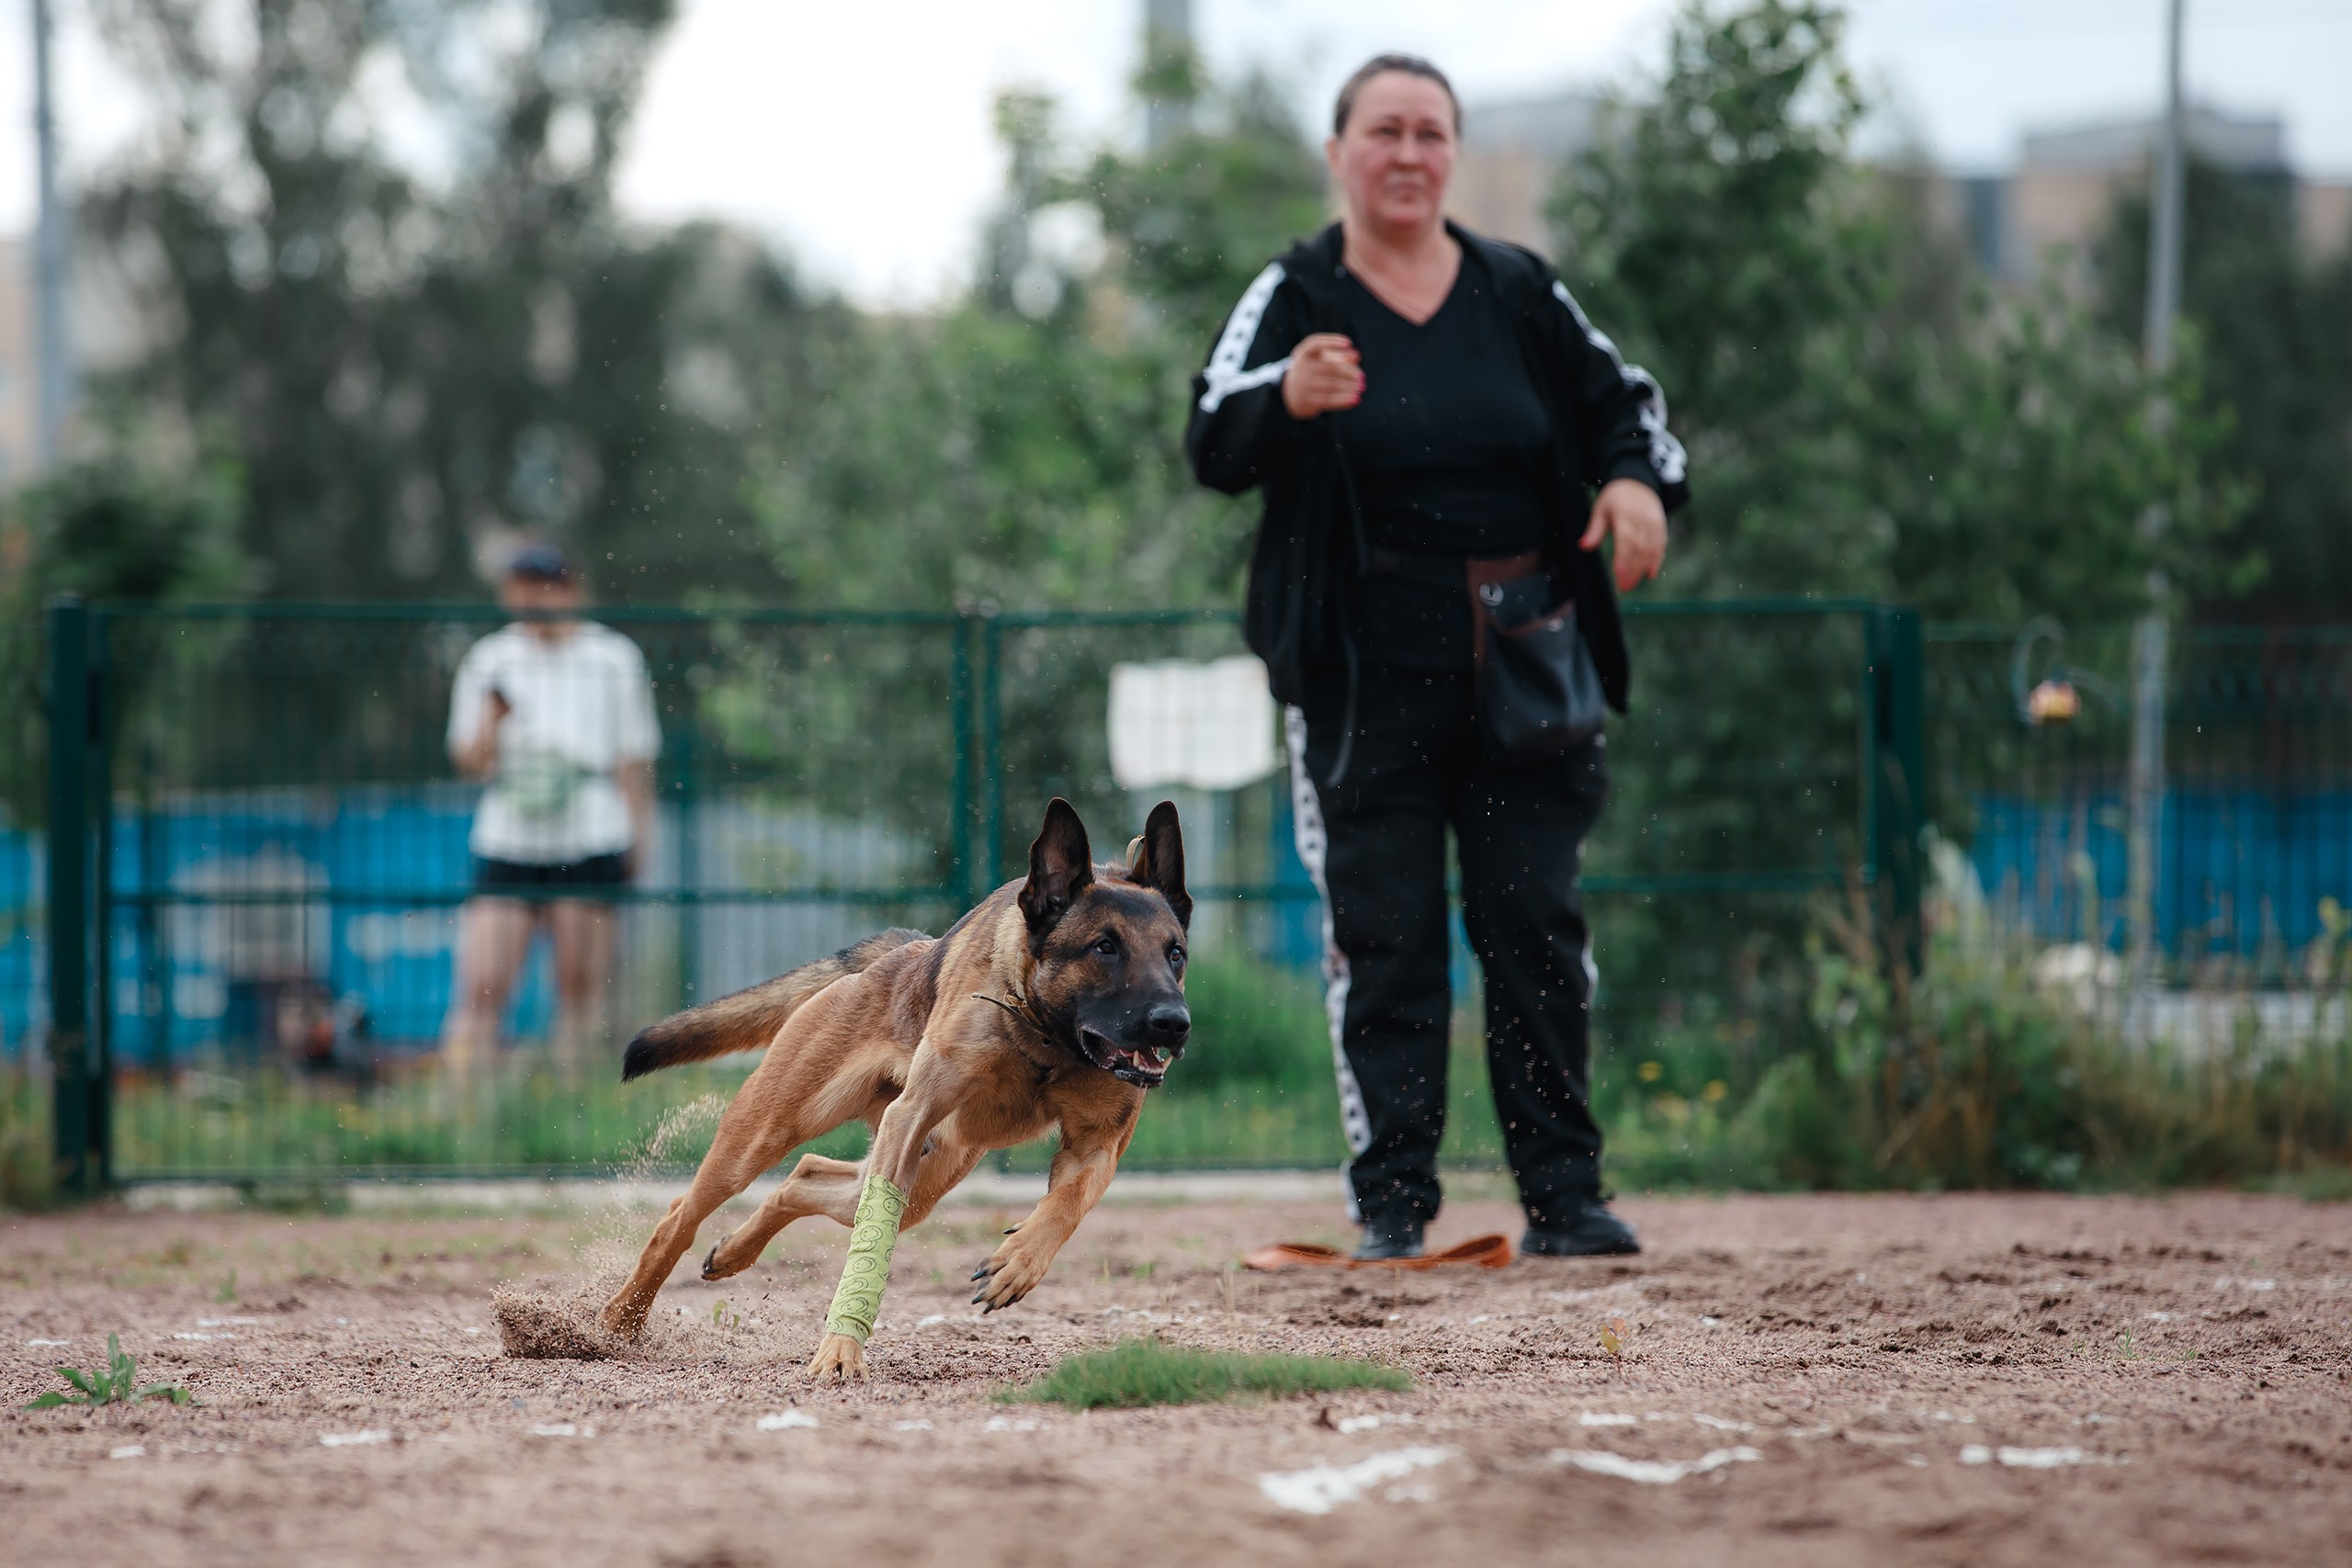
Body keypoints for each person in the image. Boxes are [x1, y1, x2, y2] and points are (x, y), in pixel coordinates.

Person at [1185, 55, 1690, 1259]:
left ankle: (1566, 1198)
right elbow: (1210, 426)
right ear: (1338, 152)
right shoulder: (1297, 292)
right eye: (1383, 132)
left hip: (1526, 660)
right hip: (1362, 677)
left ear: (1452, 154)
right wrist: (1287, 397)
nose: (1407, 154)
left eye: (1431, 133)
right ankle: (1394, 1207)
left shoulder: (1517, 288)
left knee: (1536, 928)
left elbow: (1630, 403)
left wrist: (1633, 480)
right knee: (1387, 937)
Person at [441, 541, 660, 1080]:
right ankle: (463, 1109)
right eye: (522, 585)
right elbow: (468, 760)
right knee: (482, 983)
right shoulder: (491, 658)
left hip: (588, 833)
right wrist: (492, 721)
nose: (533, 598)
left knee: (580, 987)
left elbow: (634, 760)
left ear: (570, 589)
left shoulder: (612, 657)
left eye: (544, 584)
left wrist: (640, 834)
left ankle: (573, 1111)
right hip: (509, 835)